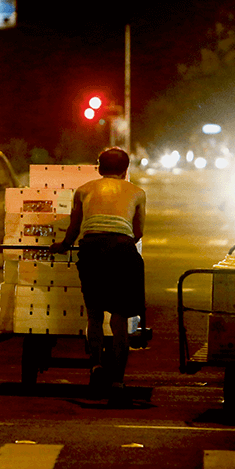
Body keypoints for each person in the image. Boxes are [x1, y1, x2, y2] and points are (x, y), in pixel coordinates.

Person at [48, 147, 146, 400]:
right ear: (125, 171)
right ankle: (118, 380)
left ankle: (96, 365)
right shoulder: (137, 192)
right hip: (122, 249)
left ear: (99, 168)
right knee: (119, 319)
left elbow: (74, 227)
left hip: (92, 248)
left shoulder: (84, 190)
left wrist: (63, 246)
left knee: (94, 314)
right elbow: (138, 232)